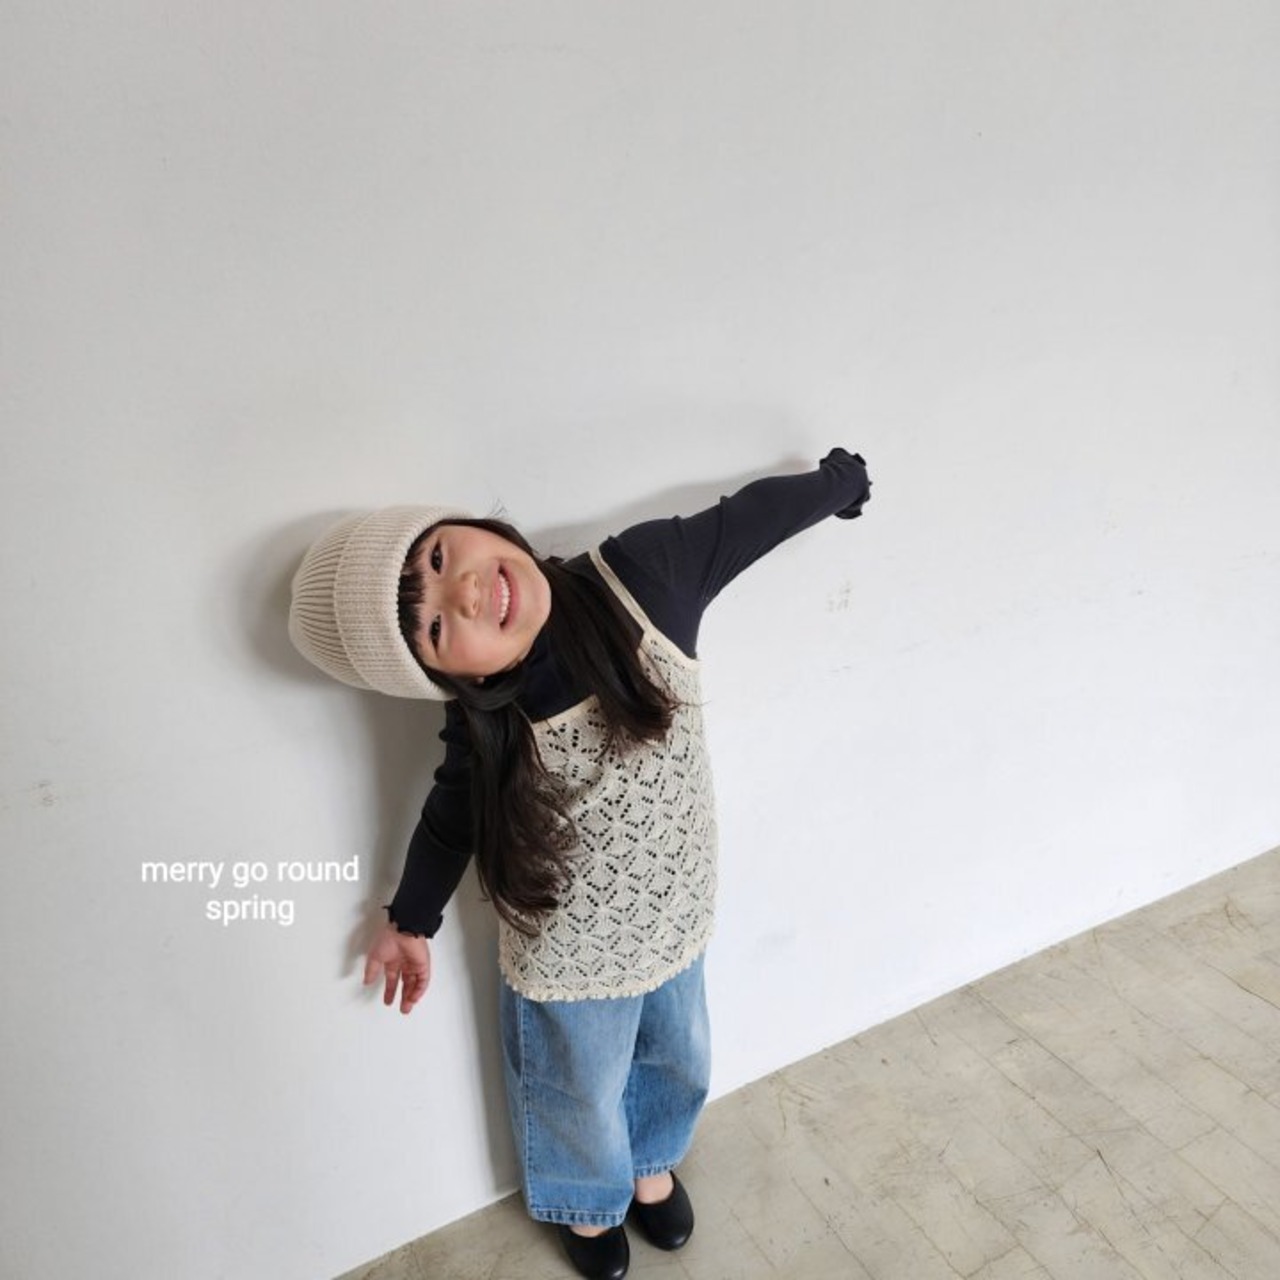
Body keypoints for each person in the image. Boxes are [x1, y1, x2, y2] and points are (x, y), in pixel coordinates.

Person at [288, 447, 872, 1280]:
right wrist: (408, 920)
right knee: (576, 1086)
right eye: (437, 627)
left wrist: (838, 484)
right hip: (567, 950)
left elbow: (747, 520)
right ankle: (587, 1205)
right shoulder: (484, 721)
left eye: (439, 558)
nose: (466, 593)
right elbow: (452, 814)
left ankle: (651, 1163)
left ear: (464, 526)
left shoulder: (644, 578)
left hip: (673, 908)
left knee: (677, 1054)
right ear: (447, 677)